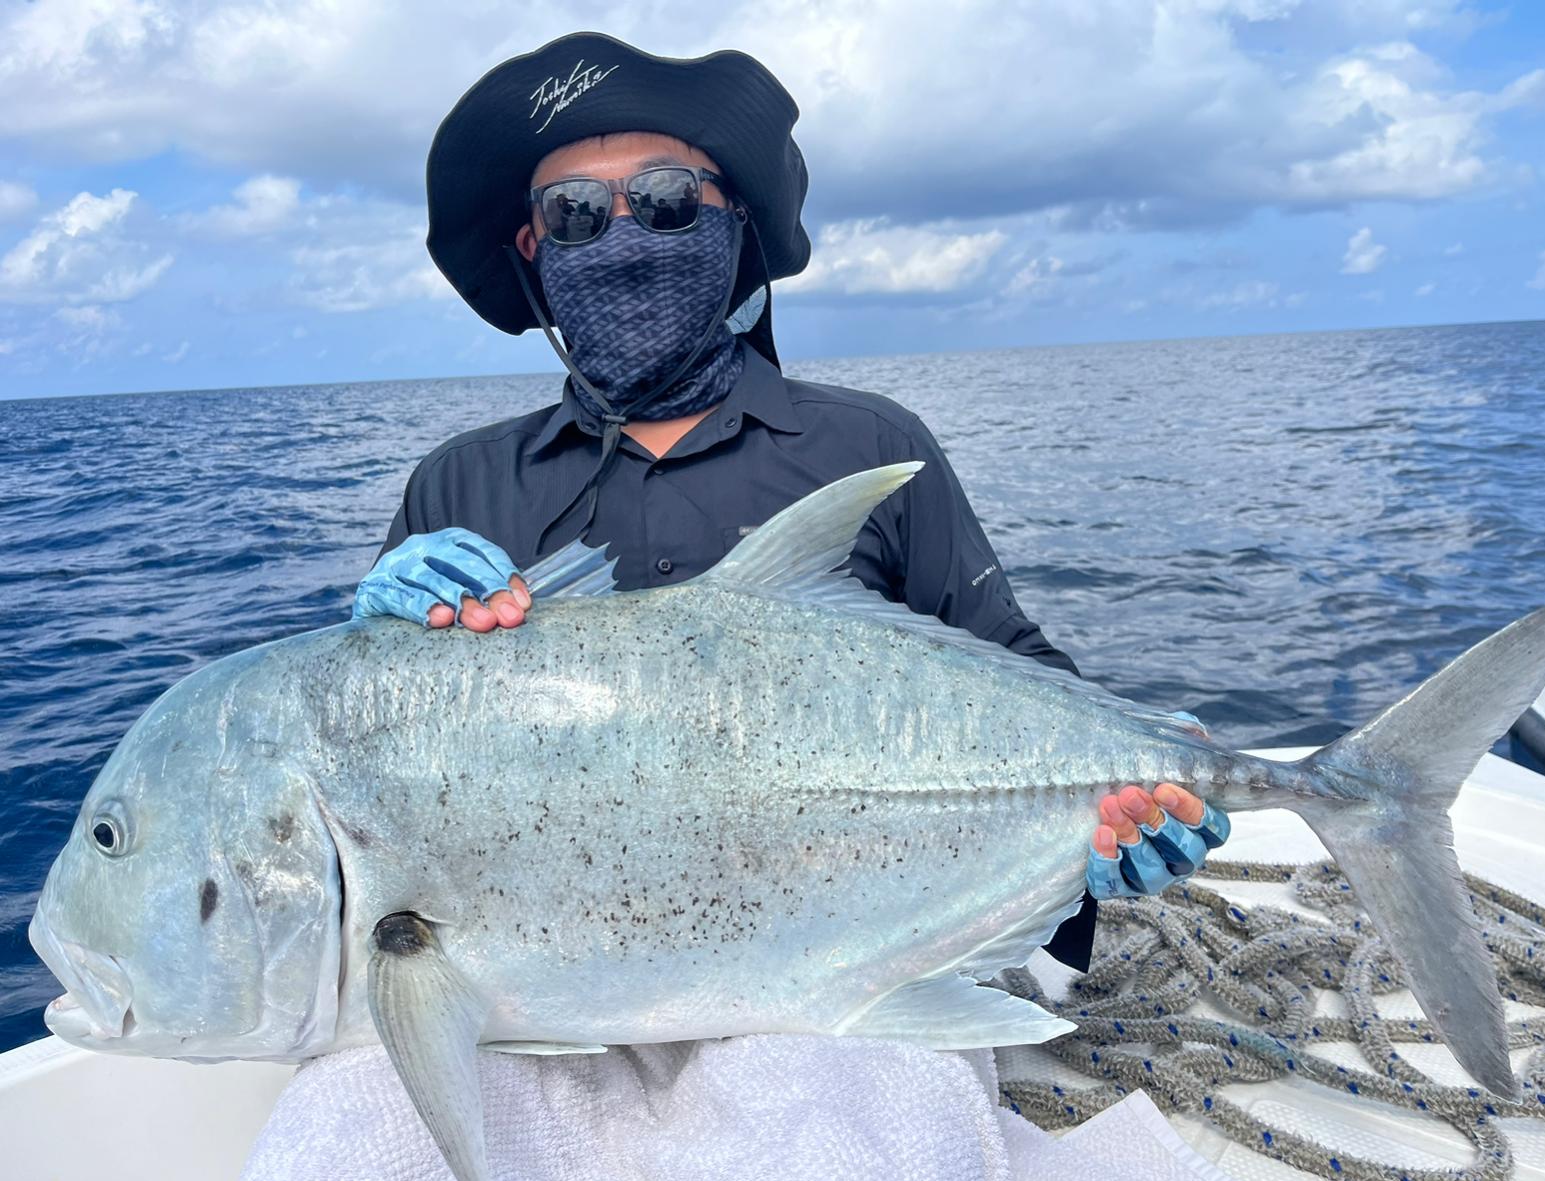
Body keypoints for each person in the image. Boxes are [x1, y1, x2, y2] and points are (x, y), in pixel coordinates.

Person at [355, 32, 1229, 973]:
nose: (623, 239)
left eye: (665, 200)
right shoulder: (457, 486)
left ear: (732, 225)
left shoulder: (869, 447)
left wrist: (1131, 787)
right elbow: (379, 781)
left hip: (850, 949)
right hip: (541, 964)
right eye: (574, 213)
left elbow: (1007, 659)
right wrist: (368, 657)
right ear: (533, 248)